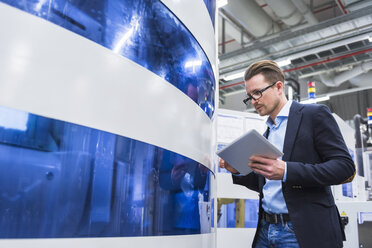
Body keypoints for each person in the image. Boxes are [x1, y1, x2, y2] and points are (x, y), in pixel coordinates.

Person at [219, 60, 355, 248]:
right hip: (266, 230)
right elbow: (266, 184)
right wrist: (237, 170)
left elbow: (344, 167)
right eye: (249, 96)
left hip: (301, 230)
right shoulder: (267, 133)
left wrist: (287, 171)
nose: (253, 101)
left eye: (257, 93)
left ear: (279, 87)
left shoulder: (313, 115)